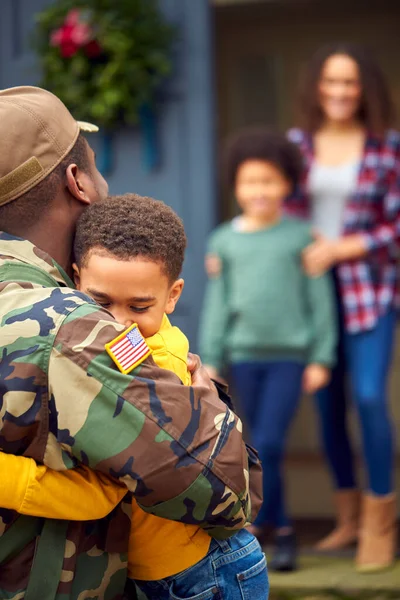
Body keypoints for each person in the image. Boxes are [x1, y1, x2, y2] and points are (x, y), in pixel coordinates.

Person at [0, 86, 262, 598]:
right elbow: (226, 493)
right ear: (77, 182)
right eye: (96, 166)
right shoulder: (69, 327)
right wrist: (211, 409)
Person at [199, 129, 337, 572]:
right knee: (248, 445)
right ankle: (262, 529)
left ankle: (281, 529)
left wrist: (322, 355)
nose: (259, 191)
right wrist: (212, 356)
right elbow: (219, 303)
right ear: (235, 187)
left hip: (288, 358)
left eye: (269, 181)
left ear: (288, 185)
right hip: (242, 359)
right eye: (249, 182)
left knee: (272, 443)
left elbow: (320, 303)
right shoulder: (224, 241)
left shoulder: (300, 237)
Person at [286, 42, 400, 572]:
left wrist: (345, 246)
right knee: (326, 406)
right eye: (330, 81)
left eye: (349, 82)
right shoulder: (296, 144)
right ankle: (348, 519)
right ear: (316, 86)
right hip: (312, 292)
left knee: (370, 396)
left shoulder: (387, 147)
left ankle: (381, 522)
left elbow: (396, 225)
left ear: (365, 89)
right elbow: (277, 211)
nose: (339, 91)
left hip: (369, 288)